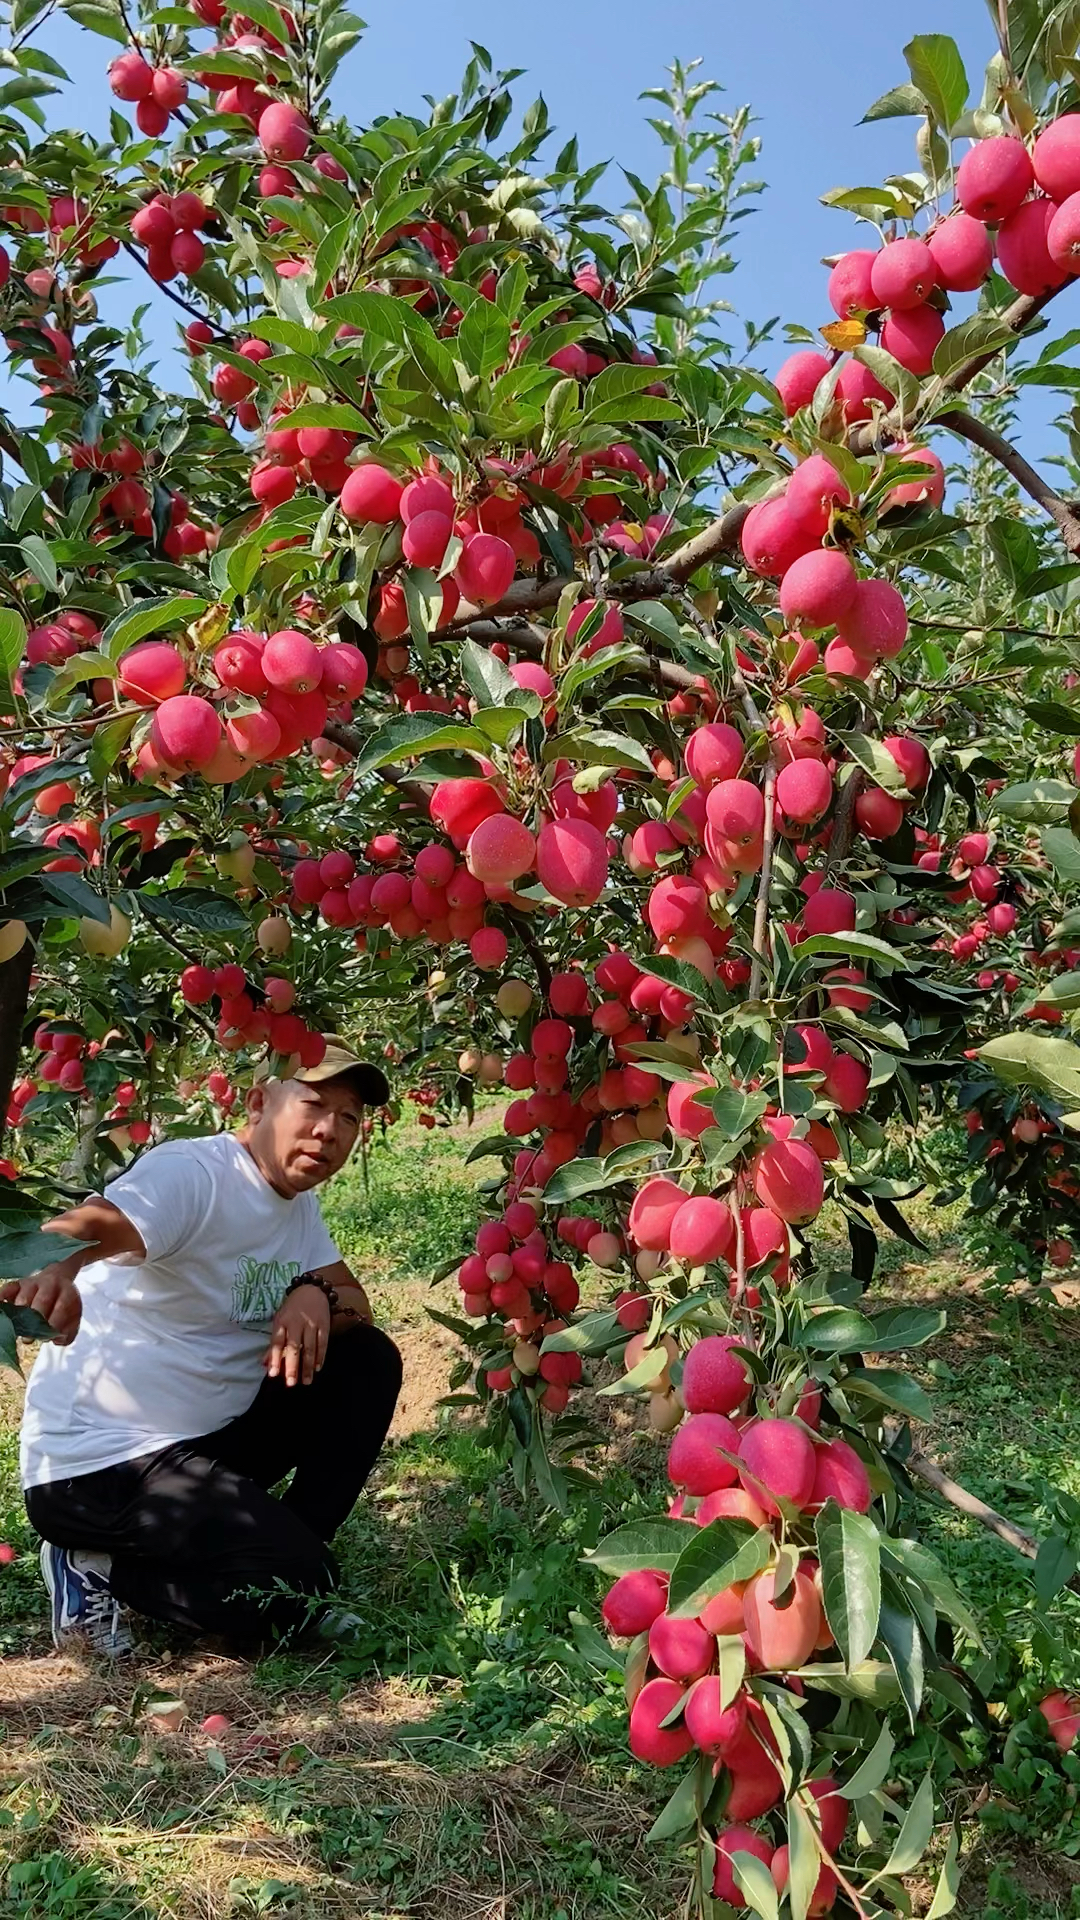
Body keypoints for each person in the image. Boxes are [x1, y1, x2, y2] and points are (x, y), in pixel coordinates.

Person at [4, 1040, 402, 1657]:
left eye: (348, 1117)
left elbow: (355, 1299)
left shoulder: (296, 1207)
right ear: (257, 1104)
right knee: (299, 1596)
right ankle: (97, 1565)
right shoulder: (195, 1173)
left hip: (204, 1445)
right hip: (98, 1466)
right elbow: (99, 1223)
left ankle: (283, 1555)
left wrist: (315, 1290)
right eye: (314, 1104)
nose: (329, 1131)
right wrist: (53, 1262)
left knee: (367, 1360)